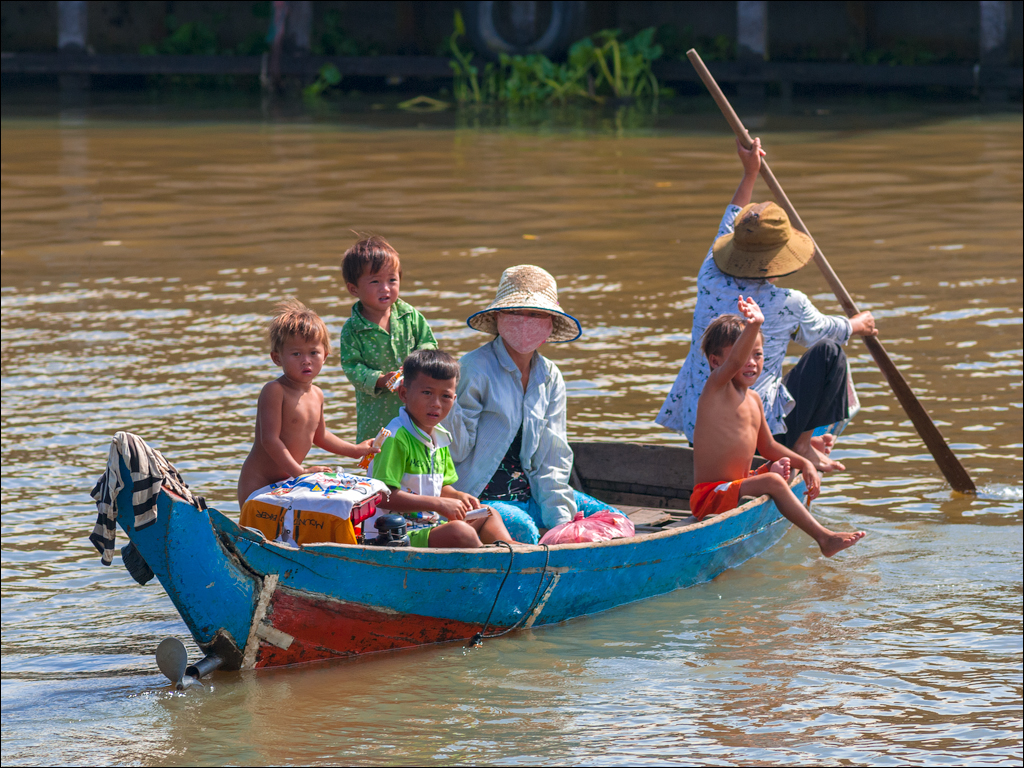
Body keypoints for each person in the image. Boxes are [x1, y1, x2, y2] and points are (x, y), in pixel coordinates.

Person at [656, 137, 878, 471]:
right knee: (831, 353)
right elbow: (823, 332)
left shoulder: (709, 275)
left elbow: (731, 218)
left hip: (699, 423)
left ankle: (801, 443)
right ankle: (801, 444)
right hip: (753, 429)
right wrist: (858, 325)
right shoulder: (788, 302)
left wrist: (749, 173)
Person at [443, 264, 622, 545]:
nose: (525, 321)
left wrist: (560, 521)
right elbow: (456, 450)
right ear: (498, 317)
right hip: (479, 497)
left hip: (532, 493)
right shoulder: (473, 368)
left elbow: (553, 456)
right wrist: (447, 403)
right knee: (524, 529)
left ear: (550, 323)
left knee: (614, 521)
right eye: (515, 312)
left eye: (536, 314)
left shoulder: (550, 376)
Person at [692, 297, 865, 557]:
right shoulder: (716, 390)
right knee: (773, 480)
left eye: (758, 354)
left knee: (785, 465)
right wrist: (755, 324)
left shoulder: (754, 399)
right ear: (716, 362)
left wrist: (805, 463)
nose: (752, 362)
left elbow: (769, 446)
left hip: (739, 484)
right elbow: (734, 363)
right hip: (711, 496)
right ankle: (824, 538)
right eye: (745, 355)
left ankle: (774, 480)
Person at [369, 349, 515, 548]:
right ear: (404, 393)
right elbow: (382, 497)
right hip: (396, 536)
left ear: (454, 400)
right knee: (460, 531)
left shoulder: (440, 437)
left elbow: (442, 487)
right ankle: (489, 558)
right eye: (427, 393)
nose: (436, 404)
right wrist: (438, 504)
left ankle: (512, 550)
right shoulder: (395, 437)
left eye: (445, 396)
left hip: (428, 526)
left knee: (488, 513)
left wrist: (458, 497)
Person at [237, 299, 376, 508]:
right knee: (256, 526)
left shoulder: (317, 394)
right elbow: (270, 440)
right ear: (277, 358)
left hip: (288, 480)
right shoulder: (275, 390)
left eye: (313, 353)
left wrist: (355, 450)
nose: (306, 360)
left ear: (325, 356)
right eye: (296, 354)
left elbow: (320, 436)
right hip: (259, 482)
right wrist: (300, 473)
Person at [338, 235, 438, 442]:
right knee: (379, 451)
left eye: (392, 280)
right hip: (377, 413)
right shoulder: (352, 329)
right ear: (353, 288)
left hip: (415, 404)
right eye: (375, 281)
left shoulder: (410, 316)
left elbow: (428, 344)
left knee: (417, 447)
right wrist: (381, 380)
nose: (385, 288)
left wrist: (416, 365)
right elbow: (352, 367)